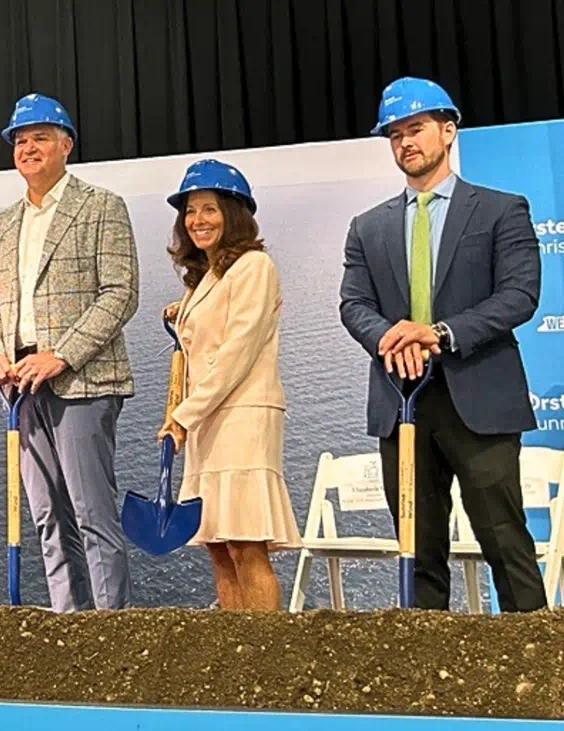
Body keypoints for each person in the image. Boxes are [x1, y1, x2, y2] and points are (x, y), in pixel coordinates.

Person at [339, 77, 547, 612]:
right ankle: (424, 662)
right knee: (417, 552)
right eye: (394, 135)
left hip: (479, 399)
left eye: (415, 129)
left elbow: (519, 295)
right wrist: (389, 336)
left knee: (506, 543)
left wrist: (438, 333)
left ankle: (537, 659)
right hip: (402, 404)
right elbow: (353, 304)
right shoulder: (367, 226)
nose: (405, 142)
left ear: (448, 131)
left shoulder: (501, 209)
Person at [0, 93, 140, 612]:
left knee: (93, 514)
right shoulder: (2, 224)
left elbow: (121, 293)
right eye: (20, 140)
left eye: (40, 137)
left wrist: (61, 355)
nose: (28, 148)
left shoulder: (102, 206)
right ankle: (71, 626)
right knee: (48, 517)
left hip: (81, 381)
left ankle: (111, 631)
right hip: (20, 387)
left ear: (66, 145)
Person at [158, 160, 301, 610]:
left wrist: (182, 416)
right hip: (209, 420)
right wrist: (184, 312)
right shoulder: (208, 276)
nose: (197, 220)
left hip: (242, 417)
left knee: (245, 544)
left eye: (209, 209)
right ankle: (234, 645)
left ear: (233, 214)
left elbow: (236, 352)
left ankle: (265, 647)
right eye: (190, 211)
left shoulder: (254, 267)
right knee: (218, 546)